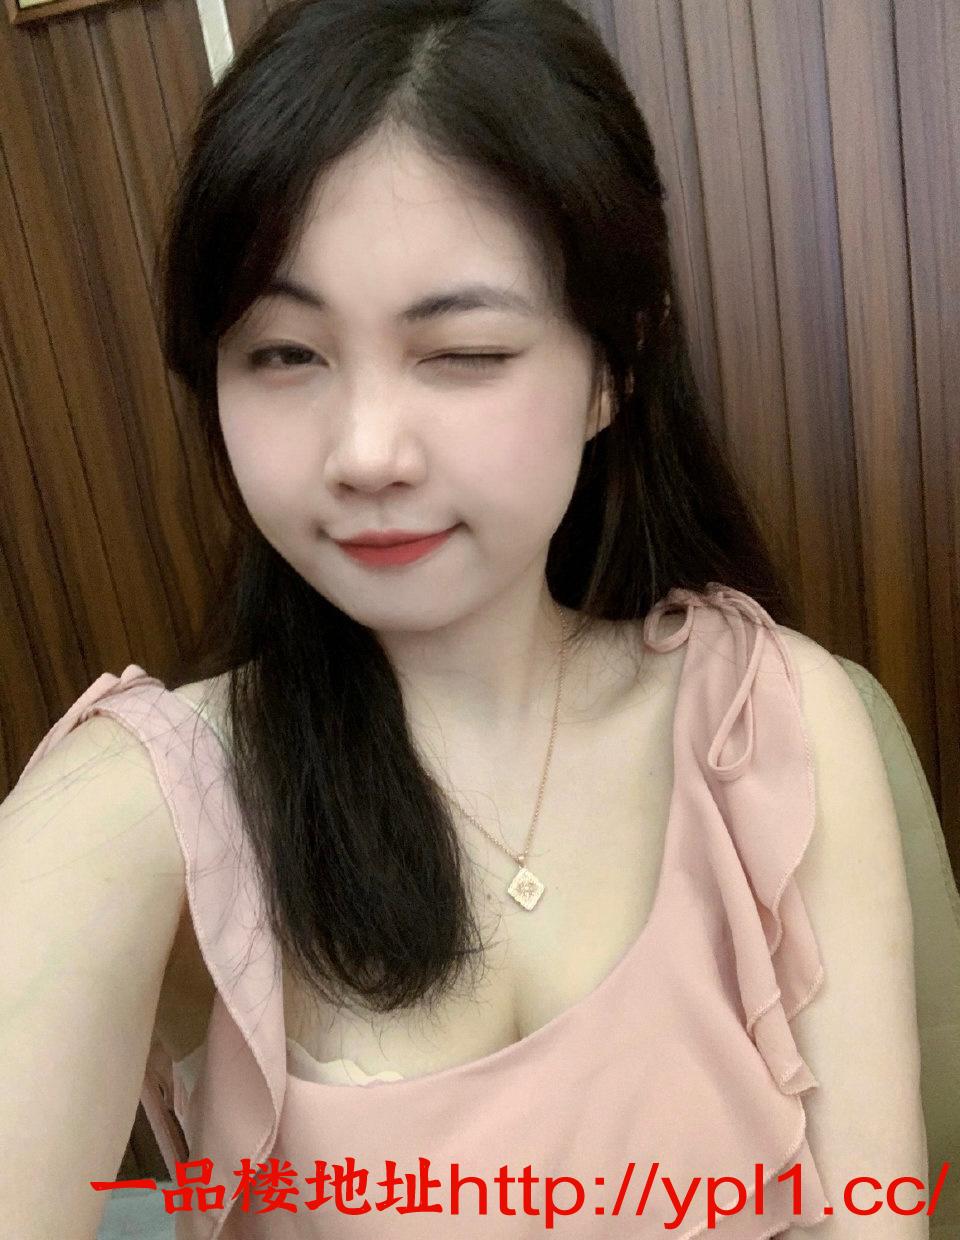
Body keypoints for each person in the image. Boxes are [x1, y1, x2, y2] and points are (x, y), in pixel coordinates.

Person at [1, 1, 927, 1237]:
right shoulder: (140, 802)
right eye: (283, 354)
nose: (364, 451)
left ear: (614, 366)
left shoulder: (770, 721)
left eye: (464, 352)